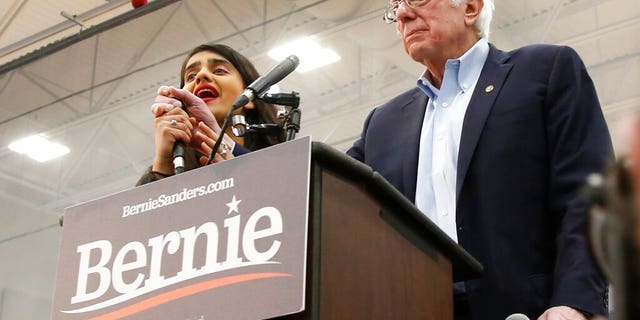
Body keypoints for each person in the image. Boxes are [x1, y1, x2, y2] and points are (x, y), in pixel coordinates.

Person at [347, 0, 612, 319]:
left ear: (471, 7)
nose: (402, 13)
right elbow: (331, 195)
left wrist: (575, 302)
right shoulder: (382, 123)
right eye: (396, 6)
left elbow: (590, 196)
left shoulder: (544, 71)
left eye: (417, 0)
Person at [137, 44, 284, 185]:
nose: (201, 75)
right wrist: (163, 160)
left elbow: (285, 184)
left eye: (219, 70)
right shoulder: (169, 166)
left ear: (250, 98)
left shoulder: (285, 157)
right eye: (190, 76)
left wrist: (224, 144)